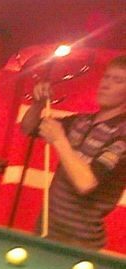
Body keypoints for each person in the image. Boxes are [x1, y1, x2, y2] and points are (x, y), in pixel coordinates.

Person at [20, 55, 126, 250]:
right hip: (45, 230)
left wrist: (59, 140)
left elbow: (85, 184)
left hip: (80, 243)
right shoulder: (80, 121)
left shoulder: (122, 136)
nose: (106, 84)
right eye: (107, 77)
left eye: (118, 80)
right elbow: (28, 127)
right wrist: (38, 104)